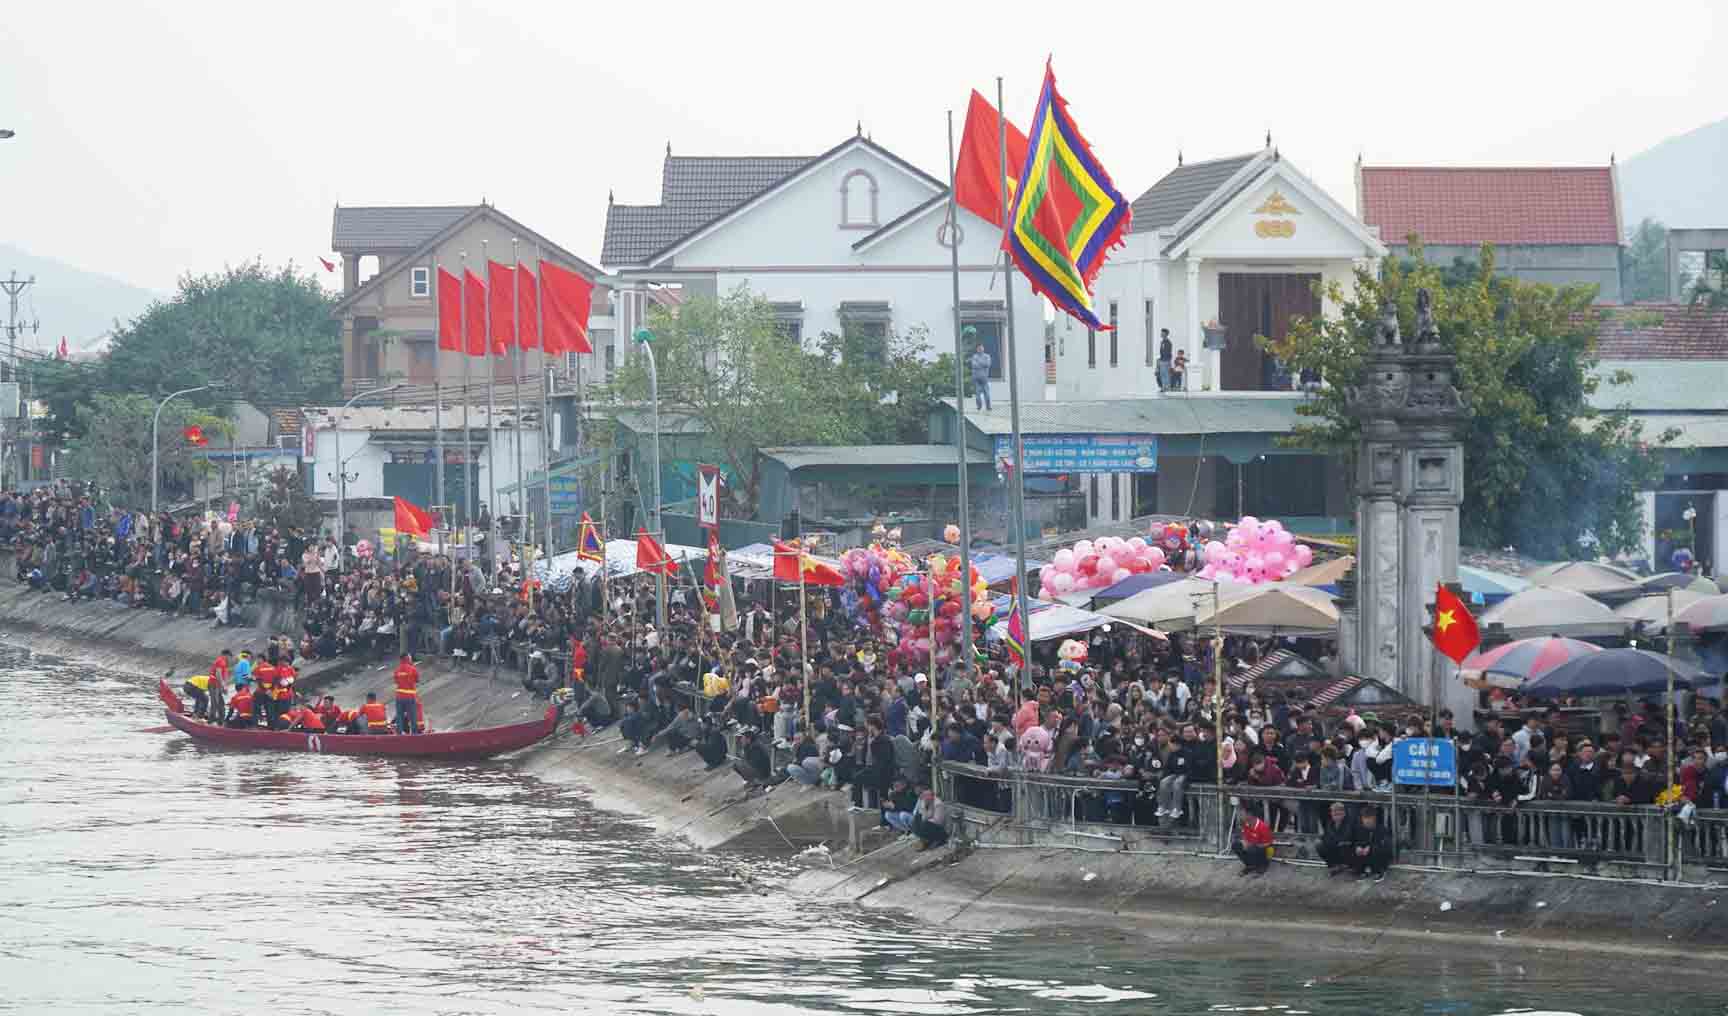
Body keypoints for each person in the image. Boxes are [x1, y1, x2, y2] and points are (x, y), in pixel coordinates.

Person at [1347, 807, 1393, 879]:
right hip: (1364, 856)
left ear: (1374, 818)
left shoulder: (1381, 829)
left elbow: (1386, 846)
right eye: (1365, 819)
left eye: (1369, 819)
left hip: (1378, 856)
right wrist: (1357, 847)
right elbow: (1353, 841)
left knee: (1376, 850)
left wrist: (1370, 847)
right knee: (1351, 849)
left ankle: (1379, 871)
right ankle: (1361, 870)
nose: (1367, 822)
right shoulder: (1358, 829)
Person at [1233, 799, 1273, 876]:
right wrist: (1244, 842)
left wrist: (1252, 845)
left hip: (1264, 851)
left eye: (1242, 812)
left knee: (1254, 848)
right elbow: (1245, 837)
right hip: (1252, 847)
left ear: (1250, 814)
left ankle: (1263, 865)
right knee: (1236, 845)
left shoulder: (1262, 826)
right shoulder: (1245, 824)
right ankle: (1250, 865)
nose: (1240, 814)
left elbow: (1268, 844)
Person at [1317, 801, 1355, 875]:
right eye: (1335, 814)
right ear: (1331, 814)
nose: (1337, 816)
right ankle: (1334, 866)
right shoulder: (1329, 823)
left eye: (1339, 814)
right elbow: (1326, 837)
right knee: (1319, 844)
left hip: (1347, 848)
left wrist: (1333, 841)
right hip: (1334, 846)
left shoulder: (1350, 822)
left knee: (1343, 845)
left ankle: (1347, 865)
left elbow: (1346, 837)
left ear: (1344, 813)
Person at [912, 786, 948, 851]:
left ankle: (938, 840)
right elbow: (921, 814)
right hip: (928, 823)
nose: (925, 797)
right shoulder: (924, 801)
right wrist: (925, 810)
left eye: (927, 795)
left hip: (939, 829)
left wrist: (926, 818)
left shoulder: (938, 804)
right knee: (916, 821)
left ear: (932, 796)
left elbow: (938, 821)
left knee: (924, 824)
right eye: (924, 795)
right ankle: (924, 840)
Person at [392, 654, 420, 734]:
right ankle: (414, 734)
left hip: (399, 696)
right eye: (410, 658)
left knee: (399, 715)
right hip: (410, 696)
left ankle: (399, 733)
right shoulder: (413, 669)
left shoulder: (397, 670)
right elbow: (417, 680)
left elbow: (396, 681)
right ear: (407, 659)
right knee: (412, 716)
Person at [968, 340, 993, 411]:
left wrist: (979, 362)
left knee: (987, 395)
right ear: (977, 349)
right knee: (978, 395)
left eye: (981, 348)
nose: (980, 349)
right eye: (979, 348)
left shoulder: (987, 356)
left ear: (983, 348)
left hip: (985, 378)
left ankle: (988, 407)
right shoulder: (974, 356)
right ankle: (979, 407)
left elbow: (987, 364)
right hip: (976, 379)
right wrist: (982, 364)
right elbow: (974, 365)